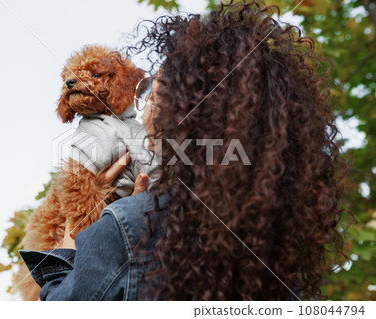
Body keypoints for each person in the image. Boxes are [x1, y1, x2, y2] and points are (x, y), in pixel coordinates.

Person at [20, 0, 351, 301]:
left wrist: (68, 245)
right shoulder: (272, 250)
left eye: (151, 98)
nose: (142, 107)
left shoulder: (127, 226)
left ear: (178, 114)